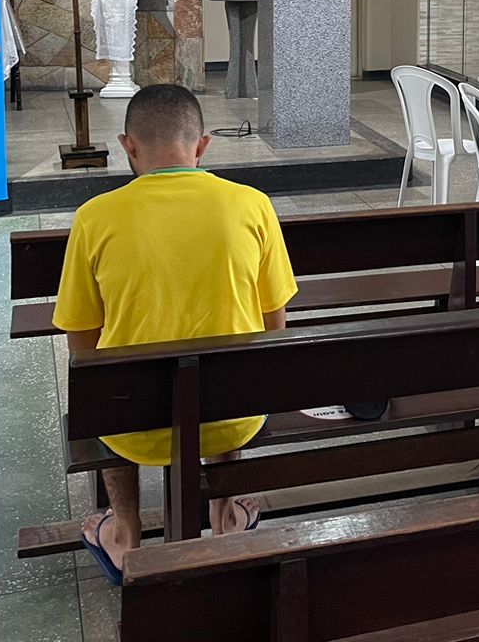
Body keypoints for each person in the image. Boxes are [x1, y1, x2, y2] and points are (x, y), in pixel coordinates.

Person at [54, 84, 298, 585]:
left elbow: (82, 345)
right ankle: (225, 513)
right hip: (230, 415)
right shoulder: (252, 205)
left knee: (107, 389)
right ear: (203, 145)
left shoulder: (95, 217)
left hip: (132, 424)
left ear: (128, 146)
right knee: (234, 361)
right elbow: (275, 328)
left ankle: (125, 533)